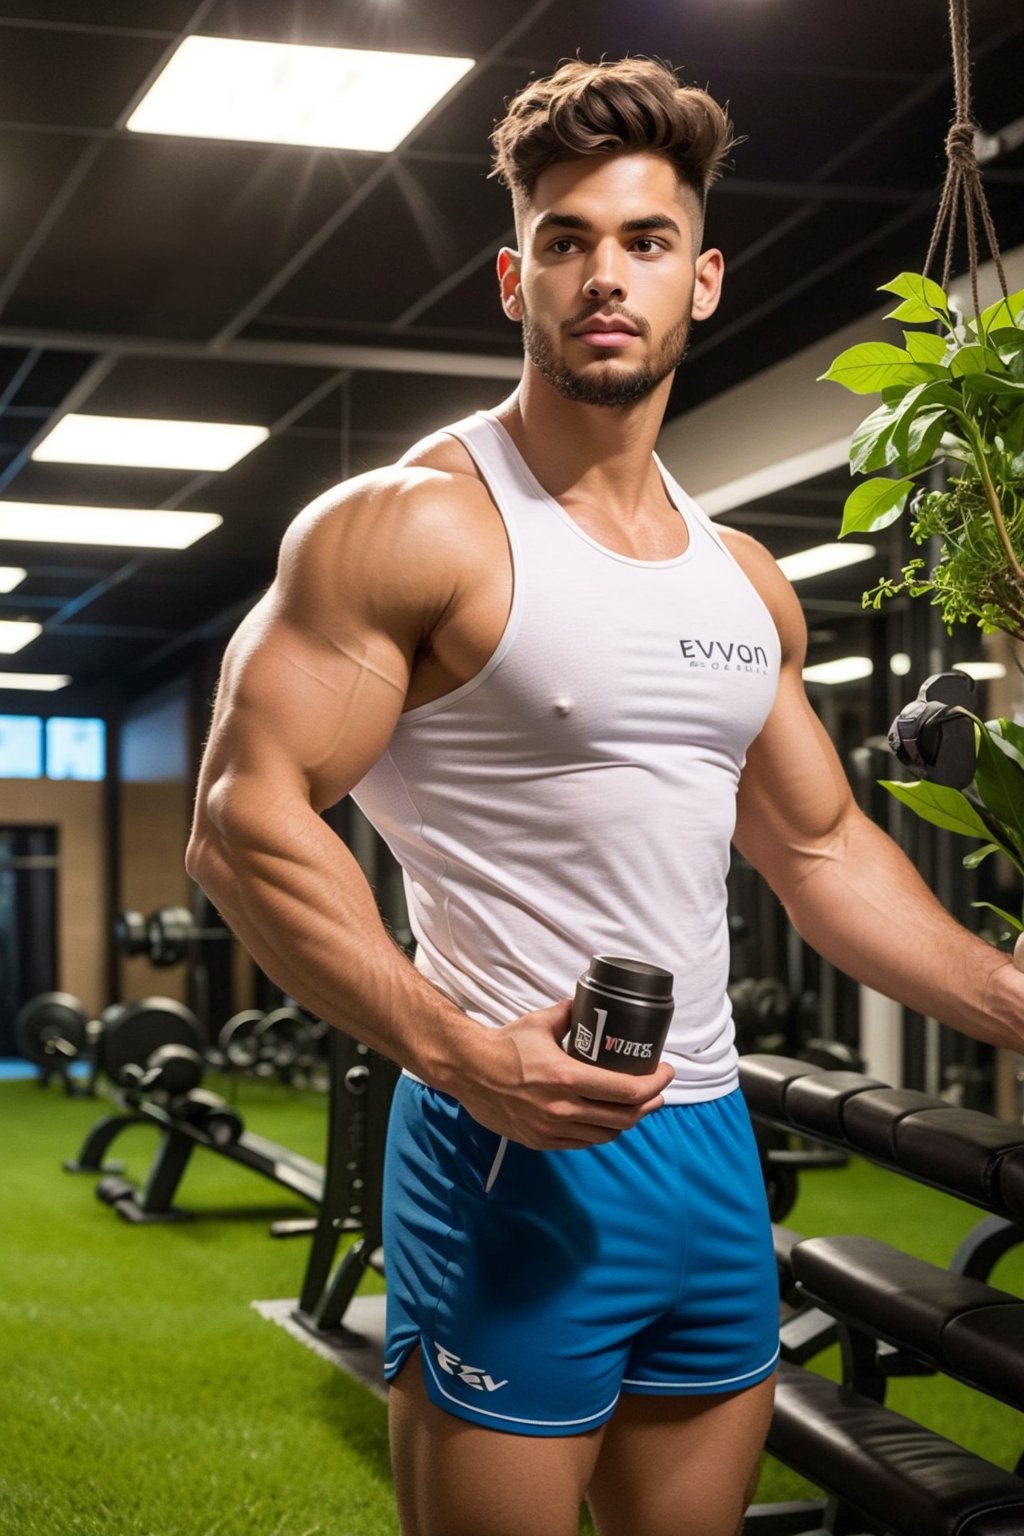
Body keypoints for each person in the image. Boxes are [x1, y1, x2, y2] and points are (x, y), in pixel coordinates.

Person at [186, 55, 1024, 1536]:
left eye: (645, 241)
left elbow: (821, 848)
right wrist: (457, 1054)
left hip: (710, 1149)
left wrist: (1012, 999)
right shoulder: (411, 527)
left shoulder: (744, 581)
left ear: (703, 280)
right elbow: (244, 825)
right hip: (514, 1139)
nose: (603, 276)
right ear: (515, 278)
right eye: (565, 241)